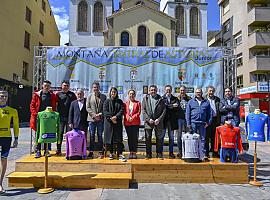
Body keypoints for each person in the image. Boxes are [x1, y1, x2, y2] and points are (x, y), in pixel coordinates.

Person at [30, 80, 57, 158]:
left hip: (48, 119)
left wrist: (53, 115)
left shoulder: (52, 95)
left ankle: (46, 150)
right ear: (42, 86)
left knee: (47, 134)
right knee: (39, 134)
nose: (47, 87)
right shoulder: (36, 95)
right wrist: (36, 115)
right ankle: (38, 151)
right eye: (45, 86)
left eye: (48, 86)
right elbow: (32, 106)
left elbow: (54, 107)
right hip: (38, 118)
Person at [0, 89, 19, 194]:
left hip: (6, 138)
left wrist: (16, 138)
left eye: (5, 96)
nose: (3, 98)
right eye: (1, 96)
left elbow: (16, 125)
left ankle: (0, 183)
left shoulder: (12, 110)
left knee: (3, 160)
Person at [186, 88, 212, 161]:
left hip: (203, 123)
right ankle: (194, 154)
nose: (198, 93)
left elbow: (210, 113)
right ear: (195, 93)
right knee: (193, 139)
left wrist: (208, 122)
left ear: (202, 93)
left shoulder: (206, 102)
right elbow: (187, 113)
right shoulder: (191, 102)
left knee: (203, 139)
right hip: (193, 123)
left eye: (199, 92)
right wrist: (188, 123)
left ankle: (202, 155)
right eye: (197, 92)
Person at [142, 85, 166, 160]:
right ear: (149, 91)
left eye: (154, 90)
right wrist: (148, 119)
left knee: (159, 138)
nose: (153, 91)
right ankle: (148, 154)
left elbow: (164, 110)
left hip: (158, 122)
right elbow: (143, 110)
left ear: (157, 90)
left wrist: (159, 119)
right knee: (148, 138)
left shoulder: (161, 99)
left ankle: (159, 154)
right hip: (148, 122)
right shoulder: (145, 98)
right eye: (152, 90)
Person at [103, 87, 126, 162]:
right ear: (110, 93)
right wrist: (111, 118)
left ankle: (120, 154)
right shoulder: (106, 101)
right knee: (110, 139)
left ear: (116, 93)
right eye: (112, 92)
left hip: (117, 122)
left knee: (118, 139)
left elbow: (122, 110)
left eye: (114, 92)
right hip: (109, 123)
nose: (113, 93)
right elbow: (105, 111)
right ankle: (111, 153)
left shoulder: (120, 101)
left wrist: (116, 117)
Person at [86, 82, 106, 159]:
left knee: (100, 135)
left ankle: (101, 151)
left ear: (99, 88)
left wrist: (100, 114)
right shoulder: (89, 96)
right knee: (91, 136)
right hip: (91, 119)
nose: (96, 89)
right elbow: (87, 107)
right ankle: (91, 151)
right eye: (94, 87)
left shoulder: (104, 97)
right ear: (92, 88)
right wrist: (94, 115)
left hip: (100, 119)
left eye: (97, 87)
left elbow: (105, 108)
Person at [56, 81, 76, 155]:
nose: (65, 87)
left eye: (67, 85)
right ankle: (58, 149)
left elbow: (75, 106)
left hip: (69, 118)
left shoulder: (72, 94)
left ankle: (69, 149)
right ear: (61, 86)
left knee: (69, 134)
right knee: (60, 134)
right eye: (64, 85)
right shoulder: (58, 94)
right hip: (60, 117)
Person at [162, 85, 180, 159]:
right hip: (163, 121)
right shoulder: (162, 98)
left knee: (171, 138)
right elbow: (163, 107)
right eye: (167, 90)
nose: (168, 91)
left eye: (169, 90)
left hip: (172, 121)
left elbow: (177, 107)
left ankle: (171, 153)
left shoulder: (175, 98)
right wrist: (172, 105)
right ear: (164, 90)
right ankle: (160, 153)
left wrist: (168, 106)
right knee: (161, 137)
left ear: (171, 90)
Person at [124, 89, 141, 159]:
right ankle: (131, 152)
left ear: (135, 95)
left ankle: (134, 152)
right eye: (130, 94)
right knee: (129, 138)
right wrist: (128, 117)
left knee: (135, 138)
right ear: (128, 95)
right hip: (127, 123)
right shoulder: (125, 103)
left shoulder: (138, 103)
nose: (132, 95)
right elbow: (124, 112)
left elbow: (139, 112)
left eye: (133, 94)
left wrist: (132, 118)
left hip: (135, 123)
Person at [205, 86, 221, 157]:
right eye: (210, 91)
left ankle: (215, 153)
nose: (211, 92)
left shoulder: (217, 99)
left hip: (215, 120)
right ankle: (206, 153)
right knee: (206, 137)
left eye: (212, 91)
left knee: (214, 138)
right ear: (207, 91)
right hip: (207, 120)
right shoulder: (204, 99)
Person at [177, 85, 191, 158]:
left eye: (183, 90)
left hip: (187, 119)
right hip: (179, 119)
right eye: (181, 90)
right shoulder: (176, 98)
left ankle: (186, 150)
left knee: (187, 135)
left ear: (186, 91)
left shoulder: (189, 99)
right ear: (179, 91)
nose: (182, 92)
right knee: (179, 135)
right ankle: (180, 150)